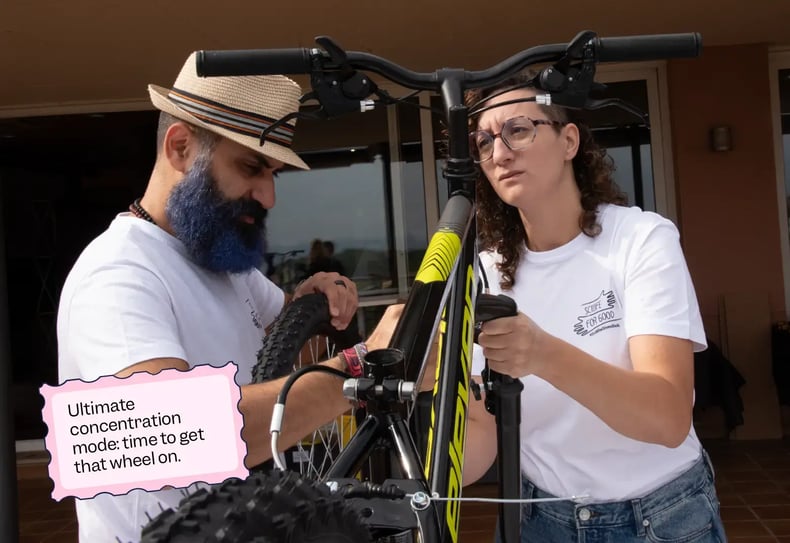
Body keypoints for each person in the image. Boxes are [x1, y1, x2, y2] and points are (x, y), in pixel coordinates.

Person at [56, 52, 400, 543]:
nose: (269, 196)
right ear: (180, 147)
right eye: (251, 167)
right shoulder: (118, 274)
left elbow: (292, 353)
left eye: (273, 174)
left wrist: (314, 301)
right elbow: (176, 438)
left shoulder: (221, 263)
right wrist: (364, 368)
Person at [462, 72, 727, 542]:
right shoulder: (485, 273)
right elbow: (481, 441)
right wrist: (429, 396)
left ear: (569, 141)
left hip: (659, 519)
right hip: (540, 519)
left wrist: (543, 354)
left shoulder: (639, 241)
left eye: (518, 130)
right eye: (484, 142)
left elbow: (668, 417)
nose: (499, 153)